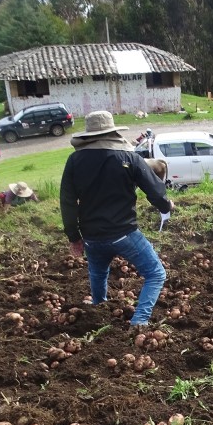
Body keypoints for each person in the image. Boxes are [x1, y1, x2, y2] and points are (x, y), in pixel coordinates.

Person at [60, 111, 174, 327]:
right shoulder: (129, 158)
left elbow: (67, 200)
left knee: (99, 273)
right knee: (156, 273)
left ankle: (99, 311)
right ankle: (139, 321)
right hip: (124, 233)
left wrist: (73, 236)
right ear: (112, 132)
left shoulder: (74, 160)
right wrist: (167, 205)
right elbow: (155, 191)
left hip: (92, 236)